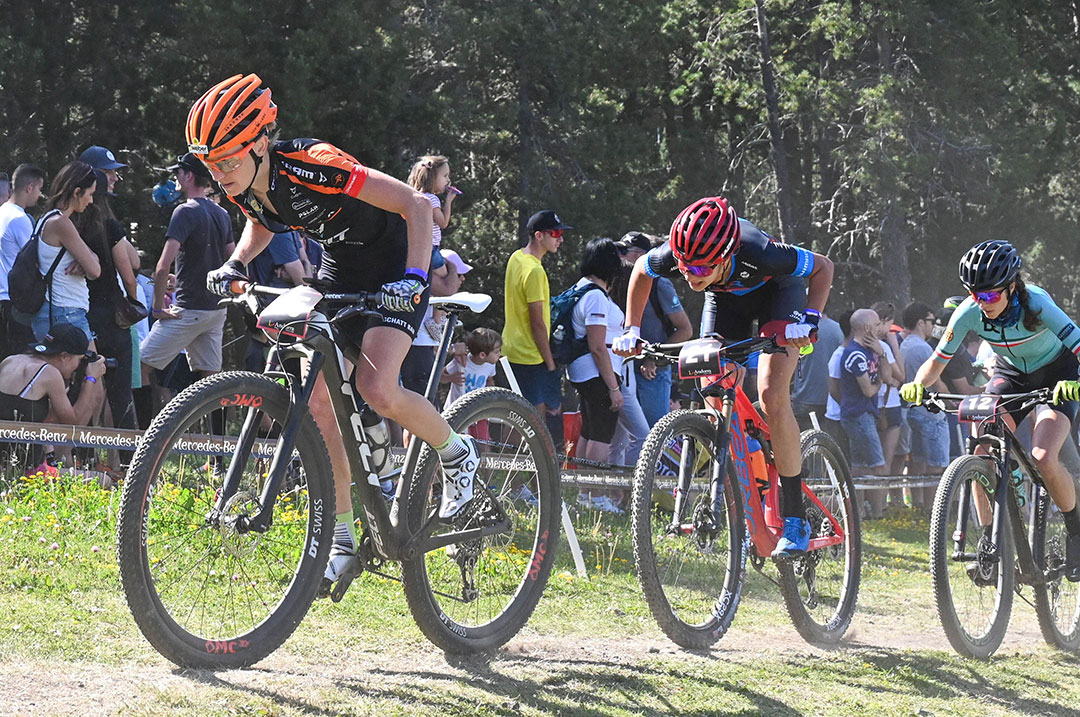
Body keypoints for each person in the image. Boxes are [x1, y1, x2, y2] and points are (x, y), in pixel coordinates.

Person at [192, 74, 482, 590]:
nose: (219, 175)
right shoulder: (249, 185)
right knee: (320, 400)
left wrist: (416, 279)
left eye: (228, 161)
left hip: (398, 261)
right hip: (342, 268)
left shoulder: (313, 163)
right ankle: (344, 537)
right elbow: (265, 220)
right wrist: (236, 262)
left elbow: (417, 205)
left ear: (260, 143)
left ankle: (457, 452)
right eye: (211, 165)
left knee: (377, 388)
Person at [614, 196, 834, 557]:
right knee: (711, 388)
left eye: (699, 270)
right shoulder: (683, 255)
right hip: (725, 302)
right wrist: (631, 329)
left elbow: (823, 267)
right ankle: (754, 477)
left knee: (771, 396)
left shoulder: (760, 251)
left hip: (778, 297)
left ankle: (795, 517)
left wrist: (809, 320)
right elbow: (642, 269)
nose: (688, 276)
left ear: (726, 255)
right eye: (684, 269)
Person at [902, 240, 1080, 579]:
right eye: (975, 294)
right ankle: (990, 543)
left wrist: (1076, 381)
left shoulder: (1038, 304)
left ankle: (1076, 530)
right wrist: (917, 385)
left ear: (1012, 286)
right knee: (981, 447)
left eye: (990, 295)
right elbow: (936, 361)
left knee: (1043, 456)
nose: (982, 304)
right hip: (1011, 373)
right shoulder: (969, 310)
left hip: (1059, 373)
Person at [139, 153, 234, 412]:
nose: (175, 178)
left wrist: (158, 307)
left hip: (188, 309)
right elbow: (233, 261)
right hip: (216, 310)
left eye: (178, 173)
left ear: (189, 176)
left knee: (139, 366)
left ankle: (142, 441)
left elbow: (162, 266)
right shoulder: (222, 214)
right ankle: (218, 450)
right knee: (212, 382)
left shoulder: (184, 211)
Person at [566, 238, 630, 514]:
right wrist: (613, 387)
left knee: (589, 432)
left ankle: (583, 493)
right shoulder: (595, 296)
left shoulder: (581, 289)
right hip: (597, 372)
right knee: (602, 435)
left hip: (582, 372)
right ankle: (596, 495)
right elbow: (597, 346)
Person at [75, 170, 141, 433]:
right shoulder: (110, 227)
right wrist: (135, 306)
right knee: (120, 394)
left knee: (87, 387)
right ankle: (126, 461)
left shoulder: (72, 226)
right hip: (113, 316)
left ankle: (85, 456)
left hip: (84, 315)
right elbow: (130, 273)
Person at [503, 209, 572, 447]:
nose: (560, 239)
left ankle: (510, 478)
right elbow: (538, 324)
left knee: (514, 417)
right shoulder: (535, 271)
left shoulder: (516, 257)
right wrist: (550, 363)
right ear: (539, 236)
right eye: (555, 233)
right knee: (533, 422)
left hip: (511, 349)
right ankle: (524, 481)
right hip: (530, 356)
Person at [12, 162, 101, 343]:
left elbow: (93, 259)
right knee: (91, 368)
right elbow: (95, 270)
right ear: (77, 192)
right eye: (90, 194)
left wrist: (86, 259)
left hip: (60, 312)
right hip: (64, 312)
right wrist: (87, 261)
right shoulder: (61, 224)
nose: (91, 201)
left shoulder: (49, 219)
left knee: (86, 369)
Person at [612, 231, 692, 427]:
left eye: (624, 251)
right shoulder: (617, 282)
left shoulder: (660, 284)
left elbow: (685, 330)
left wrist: (652, 358)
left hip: (652, 373)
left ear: (641, 255)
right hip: (624, 370)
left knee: (654, 432)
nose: (619, 256)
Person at [0, 323, 105, 472]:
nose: (79, 365)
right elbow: (73, 427)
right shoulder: (49, 374)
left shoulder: (11, 360)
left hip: (5, 464)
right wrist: (91, 379)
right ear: (64, 356)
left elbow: (21, 412)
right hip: (28, 470)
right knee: (103, 480)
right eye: (80, 360)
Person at [897, 301, 949, 509]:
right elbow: (936, 380)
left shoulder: (906, 344)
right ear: (920, 322)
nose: (932, 326)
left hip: (911, 409)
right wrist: (953, 400)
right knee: (937, 465)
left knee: (918, 461)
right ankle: (933, 508)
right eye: (930, 321)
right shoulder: (922, 348)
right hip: (930, 410)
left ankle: (918, 503)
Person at [840, 309, 888, 518]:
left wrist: (882, 353)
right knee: (877, 465)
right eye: (877, 324)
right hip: (858, 415)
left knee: (859, 467)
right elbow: (869, 389)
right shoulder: (855, 354)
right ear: (868, 328)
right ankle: (878, 513)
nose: (880, 328)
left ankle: (858, 513)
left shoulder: (871, 350)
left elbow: (887, 376)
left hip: (866, 413)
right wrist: (878, 383)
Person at [0, 164, 45, 356]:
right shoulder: (19, 219)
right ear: (29, 187)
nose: (40, 195)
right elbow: (37, 258)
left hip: (3, 298)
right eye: (39, 189)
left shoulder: (3, 212)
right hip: (13, 302)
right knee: (20, 360)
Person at [791, 308, 844, 432]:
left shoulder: (800, 330)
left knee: (804, 444)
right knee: (829, 445)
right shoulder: (839, 330)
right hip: (831, 399)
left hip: (804, 396)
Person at [406, 154, 458, 256]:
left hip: (416, 245)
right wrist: (448, 202)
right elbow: (443, 223)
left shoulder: (415, 197)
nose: (448, 180)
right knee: (449, 271)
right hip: (431, 248)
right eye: (445, 176)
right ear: (432, 178)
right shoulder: (431, 199)